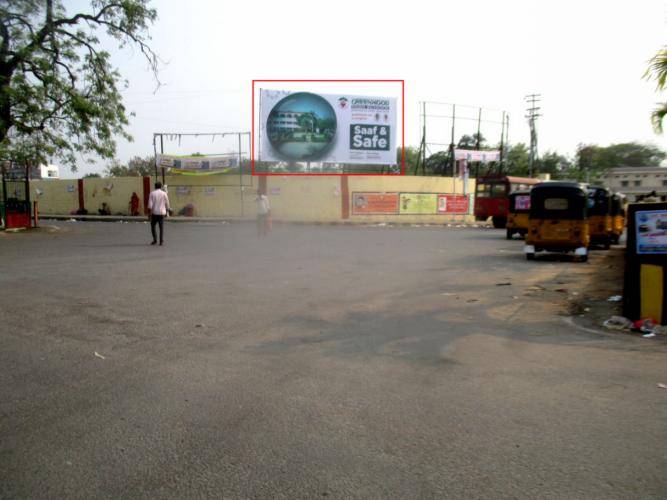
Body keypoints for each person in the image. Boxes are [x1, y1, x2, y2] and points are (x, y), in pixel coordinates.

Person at [148, 181, 170, 246]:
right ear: (161, 187)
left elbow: (150, 205)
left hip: (154, 213)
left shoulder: (152, 193)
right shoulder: (164, 193)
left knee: (153, 226)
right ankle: (161, 241)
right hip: (162, 213)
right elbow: (167, 203)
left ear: (155, 186)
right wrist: (167, 211)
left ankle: (155, 240)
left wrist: (149, 214)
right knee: (161, 227)